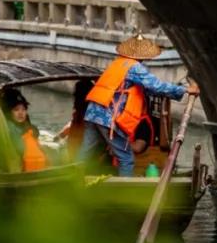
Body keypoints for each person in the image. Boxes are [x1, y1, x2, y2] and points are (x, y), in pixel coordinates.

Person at [78, 34, 199, 177]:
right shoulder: (134, 67)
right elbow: (156, 86)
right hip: (108, 117)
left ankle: (71, 183)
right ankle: (125, 193)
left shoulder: (117, 63)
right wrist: (185, 89)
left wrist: (176, 91)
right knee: (126, 159)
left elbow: (144, 88)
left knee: (85, 155)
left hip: (93, 112)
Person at [2, 89, 48, 172]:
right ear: (9, 112)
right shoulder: (9, 127)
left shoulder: (30, 127)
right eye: (16, 110)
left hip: (37, 167)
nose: (21, 113)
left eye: (23, 110)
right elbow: (20, 148)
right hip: (23, 168)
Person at [58, 78, 94, 161]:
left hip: (76, 146)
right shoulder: (89, 112)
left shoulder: (80, 112)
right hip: (81, 147)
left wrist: (62, 134)